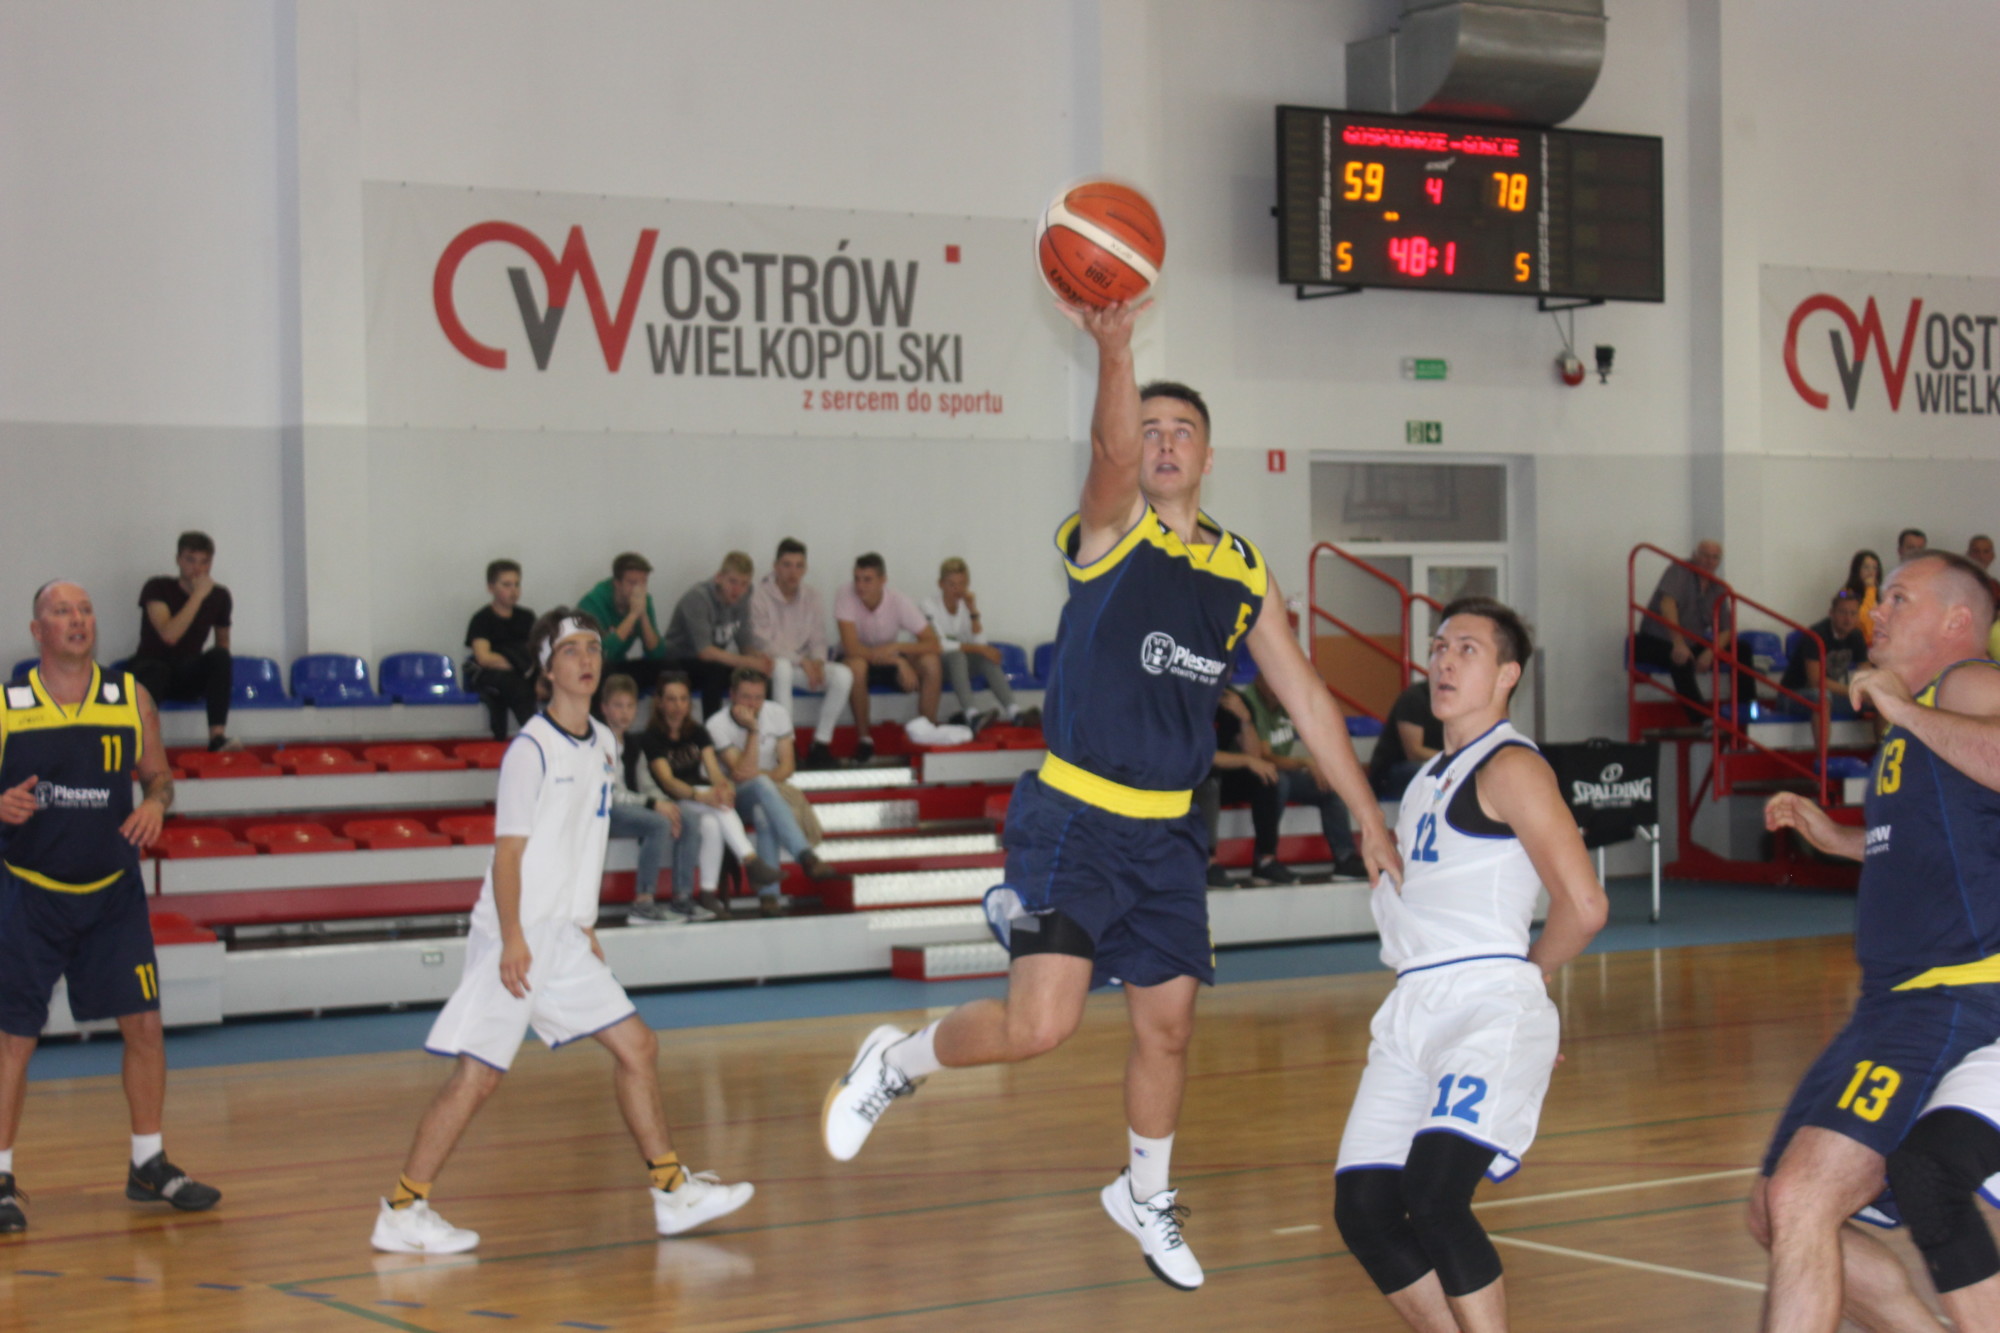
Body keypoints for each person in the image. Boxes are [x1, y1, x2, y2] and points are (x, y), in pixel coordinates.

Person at [819, 301, 1397, 1292]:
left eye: (1183, 431)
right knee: (1039, 1027)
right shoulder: (1111, 530)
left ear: (1208, 455)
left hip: (1168, 834)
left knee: (1166, 1027)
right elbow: (1108, 454)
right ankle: (895, 1062)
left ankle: (1143, 1192)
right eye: (1151, 429)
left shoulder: (1240, 570)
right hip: (1075, 818)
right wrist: (1116, 348)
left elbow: (1304, 697)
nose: (1162, 443)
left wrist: (1368, 815)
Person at [370, 610, 753, 1254]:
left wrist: (584, 921)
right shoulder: (530, 751)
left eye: (593, 648)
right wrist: (513, 938)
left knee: (639, 1047)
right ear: (547, 669)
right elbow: (509, 856)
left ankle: (672, 1191)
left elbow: (585, 840)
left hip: (565, 934)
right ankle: (402, 1211)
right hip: (517, 933)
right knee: (478, 1076)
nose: (586, 659)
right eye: (571, 650)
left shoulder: (603, 740)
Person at [1334, 597, 1607, 1333]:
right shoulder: (1426, 778)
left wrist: (1529, 979)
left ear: (1508, 675)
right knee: (1363, 1208)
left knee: (1435, 1197)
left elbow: (1584, 904)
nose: (1444, 661)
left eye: (1467, 649)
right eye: (1438, 646)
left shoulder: (1511, 766)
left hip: (1485, 999)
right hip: (1413, 1007)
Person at [1753, 552, 2000, 1331]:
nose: (1875, 612)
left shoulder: (1966, 684)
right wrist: (1839, 838)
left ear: (1957, 620)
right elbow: (1930, 844)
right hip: (1890, 1003)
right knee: (1773, 1208)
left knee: (1803, 1195)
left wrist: (1901, 707)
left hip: (1953, 993)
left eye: (1897, 597)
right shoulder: (1919, 713)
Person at [0, 580, 221, 1235]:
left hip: (112, 896)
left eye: (85, 610)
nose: (78, 620)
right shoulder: (9, 705)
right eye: (62, 611)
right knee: (14, 1038)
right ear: (37, 631)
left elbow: (159, 776)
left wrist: (155, 801)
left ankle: (148, 1163)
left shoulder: (131, 696)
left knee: (145, 1026)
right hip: (30, 894)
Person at [637, 672, 784, 921]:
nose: (678, 706)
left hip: (699, 798)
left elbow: (714, 772)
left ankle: (707, 893)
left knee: (712, 823)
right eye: (671, 699)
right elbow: (668, 782)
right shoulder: (651, 737)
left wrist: (723, 788)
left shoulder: (697, 732)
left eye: (683, 699)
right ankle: (750, 861)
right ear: (659, 703)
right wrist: (703, 796)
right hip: (672, 800)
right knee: (719, 808)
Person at [704, 667, 838, 916]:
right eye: (746, 697)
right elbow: (740, 772)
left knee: (763, 812)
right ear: (732, 695)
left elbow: (788, 767)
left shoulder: (777, 713)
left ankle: (769, 897)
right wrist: (753, 730)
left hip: (770, 794)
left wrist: (761, 778)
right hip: (733, 798)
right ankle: (806, 856)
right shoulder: (716, 724)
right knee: (761, 785)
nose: (753, 704)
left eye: (758, 697)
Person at [1226, 671, 1369, 883]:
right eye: (1273, 681)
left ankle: (1345, 858)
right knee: (1277, 782)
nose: (1278, 687)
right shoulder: (1250, 701)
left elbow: (1320, 734)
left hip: (1279, 771)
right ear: (1259, 679)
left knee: (1330, 785)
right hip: (1244, 775)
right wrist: (1305, 762)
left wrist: (1323, 765)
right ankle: (1265, 860)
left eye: (1282, 681)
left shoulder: (1287, 701)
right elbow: (1264, 756)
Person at [597, 674, 699, 926]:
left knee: (687, 817)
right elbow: (611, 793)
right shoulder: (598, 743)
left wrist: (667, 805)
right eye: (618, 705)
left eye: (629, 706)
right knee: (657, 823)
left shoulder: (634, 743)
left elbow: (646, 783)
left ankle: (682, 897)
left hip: (628, 805)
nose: (625, 712)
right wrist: (654, 806)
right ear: (604, 708)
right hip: (602, 810)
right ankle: (643, 902)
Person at [127, 531, 236, 752]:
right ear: (178, 560)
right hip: (150, 667)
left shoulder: (220, 596)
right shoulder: (157, 587)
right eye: (190, 560)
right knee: (156, 670)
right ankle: (140, 743)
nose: (198, 568)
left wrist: (215, 675)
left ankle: (217, 737)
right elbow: (169, 635)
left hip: (186, 671)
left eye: (205, 562)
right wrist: (198, 596)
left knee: (220, 656)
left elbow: (222, 642)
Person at [749, 538, 852, 769]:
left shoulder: (812, 595)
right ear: (775, 566)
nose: (792, 572)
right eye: (787, 565)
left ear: (805, 569)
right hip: (773, 668)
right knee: (782, 668)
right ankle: (788, 745)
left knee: (844, 675)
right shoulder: (759, 595)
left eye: (798, 566)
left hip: (803, 667)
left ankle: (821, 744)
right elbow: (763, 643)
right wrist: (801, 661)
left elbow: (818, 638)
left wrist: (818, 662)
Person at [835, 553, 944, 762]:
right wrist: (898, 660)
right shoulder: (845, 594)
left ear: (883, 581)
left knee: (931, 662)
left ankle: (926, 732)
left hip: (887, 657)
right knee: (857, 666)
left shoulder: (898, 601)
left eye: (867, 580)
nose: (860, 586)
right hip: (858, 659)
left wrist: (897, 647)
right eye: (857, 579)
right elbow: (852, 648)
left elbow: (934, 644)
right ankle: (865, 740)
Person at [920, 557, 1040, 730]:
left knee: (986, 658)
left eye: (962, 584)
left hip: (959, 665)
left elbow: (980, 643)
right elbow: (939, 644)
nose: (957, 589)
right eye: (952, 584)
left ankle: (1014, 712)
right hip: (934, 667)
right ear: (941, 584)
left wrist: (973, 612)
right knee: (958, 656)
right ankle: (972, 715)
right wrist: (980, 649)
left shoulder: (965, 607)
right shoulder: (928, 605)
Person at [1631, 539, 1743, 718]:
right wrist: (1678, 643)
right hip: (1654, 640)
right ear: (1694, 555)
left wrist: (1711, 652)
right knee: (1682, 659)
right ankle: (1702, 720)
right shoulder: (1679, 571)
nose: (1709, 561)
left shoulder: (1719, 588)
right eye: (1705, 555)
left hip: (1689, 643)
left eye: (1715, 557)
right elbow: (1667, 605)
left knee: (1742, 650)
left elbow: (1727, 629)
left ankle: (1745, 713)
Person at [662, 552, 772, 720]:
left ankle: (759, 728)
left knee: (759, 678)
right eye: (733, 582)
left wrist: (757, 659)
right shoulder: (698, 598)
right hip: (679, 661)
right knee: (714, 674)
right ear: (719, 578)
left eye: (744, 584)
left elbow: (744, 642)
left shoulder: (744, 596)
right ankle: (712, 731)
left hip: (713, 663)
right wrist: (748, 662)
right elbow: (704, 652)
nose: (738, 590)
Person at [464, 559, 536, 741]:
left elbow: (536, 654)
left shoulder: (527, 617)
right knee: (518, 686)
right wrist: (518, 663)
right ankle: (534, 737)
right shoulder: (482, 619)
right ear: (491, 588)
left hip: (523, 672)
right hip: (494, 676)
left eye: (517, 584)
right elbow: (484, 658)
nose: (514, 590)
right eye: (506, 585)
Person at [577, 553, 667, 694]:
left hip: (620, 666)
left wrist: (643, 615)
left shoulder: (645, 601)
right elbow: (603, 654)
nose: (638, 589)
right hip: (595, 668)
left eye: (643, 583)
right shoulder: (592, 603)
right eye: (632, 583)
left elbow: (657, 654)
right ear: (617, 583)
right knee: (604, 673)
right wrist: (632, 616)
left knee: (666, 669)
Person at [1778, 589, 1868, 700]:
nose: (1848, 619)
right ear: (1831, 613)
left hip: (1830, 694)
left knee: (1877, 700)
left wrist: (1869, 691)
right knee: (1823, 697)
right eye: (1842, 612)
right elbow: (1815, 682)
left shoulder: (1856, 635)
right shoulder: (1816, 635)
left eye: (1853, 613)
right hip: (1794, 694)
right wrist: (1852, 691)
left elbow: (1866, 671)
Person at [1370, 678, 1444, 800]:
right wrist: (1452, 758)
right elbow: (1414, 752)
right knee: (1433, 774)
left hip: (1431, 762)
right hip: (1393, 769)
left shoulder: (1458, 702)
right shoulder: (1414, 698)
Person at [1844, 550, 1882, 646]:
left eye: (1875, 568)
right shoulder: (1844, 593)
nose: (1871, 572)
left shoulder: (1880, 593)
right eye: (1866, 567)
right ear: (1857, 570)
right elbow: (1862, 619)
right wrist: (1870, 589)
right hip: (1857, 644)